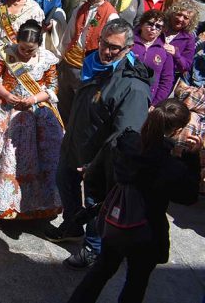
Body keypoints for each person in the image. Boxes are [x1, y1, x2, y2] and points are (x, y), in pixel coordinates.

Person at [66, 99, 201, 302]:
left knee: (100, 272)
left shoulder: (123, 142)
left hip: (115, 221)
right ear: (177, 130)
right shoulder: (171, 166)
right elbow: (188, 196)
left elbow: (94, 176)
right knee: (136, 282)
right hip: (148, 230)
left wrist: (107, 200)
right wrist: (192, 158)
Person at [48, 19, 152, 270]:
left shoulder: (133, 85)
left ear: (128, 48)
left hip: (100, 159)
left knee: (95, 203)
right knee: (64, 181)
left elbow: (126, 133)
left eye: (115, 48)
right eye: (105, 43)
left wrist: (97, 164)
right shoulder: (95, 62)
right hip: (75, 143)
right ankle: (73, 225)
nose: (107, 51)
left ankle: (93, 248)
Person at [0, 19, 63, 219]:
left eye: (30, 50)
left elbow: (52, 87)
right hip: (3, 105)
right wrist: (5, 94)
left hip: (35, 110)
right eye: (22, 48)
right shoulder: (6, 54)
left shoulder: (47, 59)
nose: (25, 53)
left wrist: (33, 99)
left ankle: (35, 204)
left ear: (39, 44)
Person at [58, 0, 119, 121]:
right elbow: (68, 36)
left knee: (81, 111)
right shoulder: (80, 9)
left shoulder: (111, 14)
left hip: (89, 70)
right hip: (68, 64)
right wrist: (60, 59)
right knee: (63, 108)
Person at [132, 10, 174, 106]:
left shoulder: (165, 51)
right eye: (150, 24)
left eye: (158, 26)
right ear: (142, 24)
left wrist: (155, 103)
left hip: (145, 100)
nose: (153, 28)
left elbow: (166, 81)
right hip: (122, 91)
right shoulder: (128, 42)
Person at [162, 0, 198, 80]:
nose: (180, 19)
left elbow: (186, 65)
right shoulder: (159, 25)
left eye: (186, 17)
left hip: (165, 78)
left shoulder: (189, 38)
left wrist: (176, 54)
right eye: (179, 14)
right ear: (172, 13)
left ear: (190, 22)